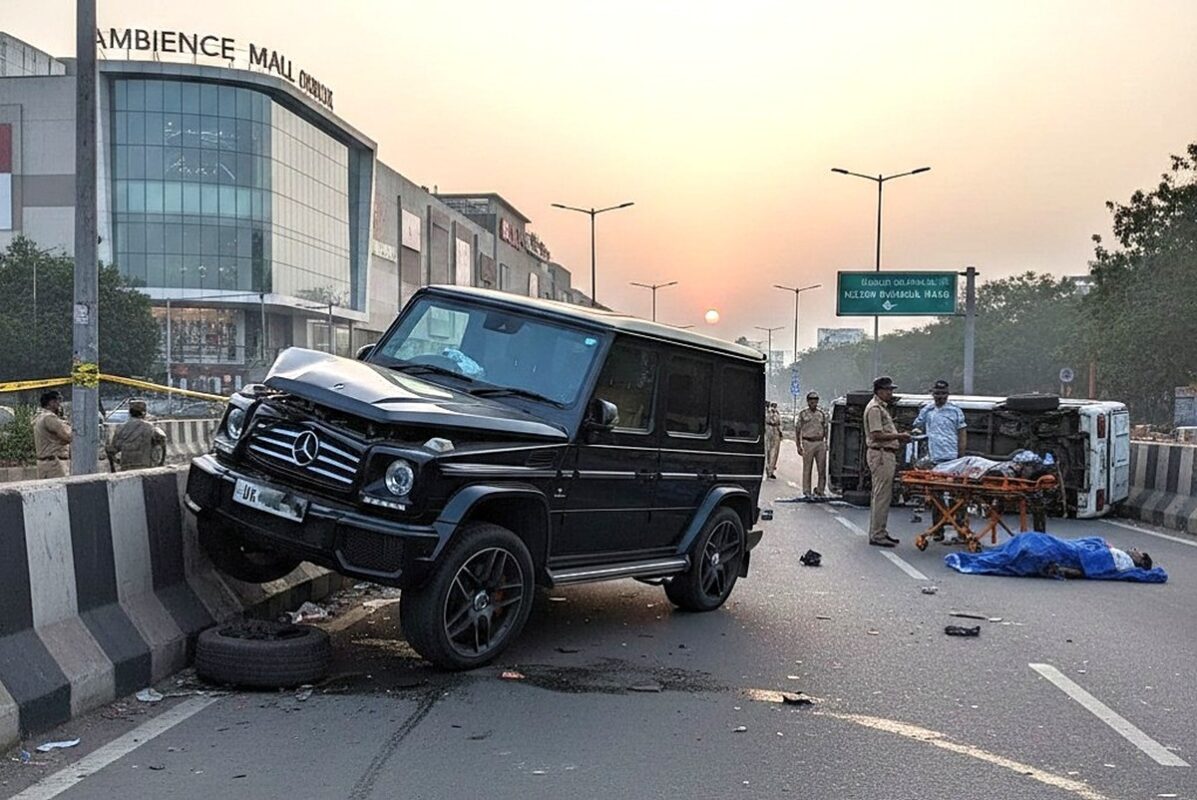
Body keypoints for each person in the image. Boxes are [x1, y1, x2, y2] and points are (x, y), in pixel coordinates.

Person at [911, 380, 968, 539]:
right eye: (937, 393)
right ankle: (938, 529)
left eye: (943, 394)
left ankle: (961, 530)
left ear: (948, 394)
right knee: (936, 495)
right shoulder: (927, 410)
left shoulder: (955, 411)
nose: (940, 397)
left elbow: (962, 433)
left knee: (957, 496)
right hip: (935, 459)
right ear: (933, 394)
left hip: (953, 459)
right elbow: (916, 427)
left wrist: (961, 456)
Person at [864, 376, 911, 547]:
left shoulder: (881, 408)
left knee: (883, 495)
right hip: (881, 454)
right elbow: (876, 434)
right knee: (881, 495)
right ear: (879, 391)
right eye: (888, 390)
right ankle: (877, 534)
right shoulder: (875, 409)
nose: (891, 393)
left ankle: (880, 531)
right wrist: (899, 436)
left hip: (884, 453)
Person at [107, 399, 166, 471]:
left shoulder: (121, 428)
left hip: (126, 466)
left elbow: (111, 451)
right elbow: (162, 441)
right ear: (144, 413)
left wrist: (115, 464)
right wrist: (161, 462)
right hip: (145, 466)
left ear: (130, 412)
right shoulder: (150, 427)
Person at [33, 390, 73, 479]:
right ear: (51, 402)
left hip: (44, 463)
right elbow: (68, 436)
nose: (59, 404)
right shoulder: (50, 418)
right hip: (55, 464)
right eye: (57, 401)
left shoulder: (39, 417)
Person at [796, 391, 829, 498]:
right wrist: (798, 445)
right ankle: (807, 491)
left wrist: (826, 442)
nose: (813, 402)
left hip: (820, 442)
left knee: (822, 468)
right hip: (808, 442)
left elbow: (826, 428)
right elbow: (798, 429)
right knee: (807, 468)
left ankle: (820, 490)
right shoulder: (803, 414)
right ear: (808, 401)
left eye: (815, 400)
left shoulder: (821, 414)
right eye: (811, 400)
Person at [764, 402, 782, 479]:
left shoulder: (777, 413)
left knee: (774, 452)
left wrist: (780, 432)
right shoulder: (766, 412)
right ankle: (767, 468)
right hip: (768, 430)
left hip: (775, 431)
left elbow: (779, 423)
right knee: (767, 451)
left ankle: (771, 470)